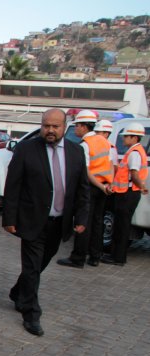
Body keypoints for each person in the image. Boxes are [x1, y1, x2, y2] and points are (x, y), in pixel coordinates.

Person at [3, 109, 90, 336]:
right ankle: (31, 314)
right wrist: (9, 218)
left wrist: (81, 218)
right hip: (32, 221)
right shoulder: (26, 149)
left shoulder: (76, 152)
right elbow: (13, 185)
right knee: (32, 268)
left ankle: (17, 292)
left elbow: (82, 188)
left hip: (59, 222)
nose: (50, 130)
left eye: (55, 126)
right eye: (46, 126)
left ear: (65, 127)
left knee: (40, 264)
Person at [57, 110, 113, 268]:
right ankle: (95, 256)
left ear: (83, 126)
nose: (75, 129)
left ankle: (78, 257)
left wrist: (100, 186)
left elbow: (86, 172)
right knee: (97, 222)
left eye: (77, 125)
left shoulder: (85, 145)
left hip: (91, 187)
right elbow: (109, 165)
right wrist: (107, 185)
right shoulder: (103, 141)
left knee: (84, 222)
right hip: (103, 187)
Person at [102, 122, 148, 266]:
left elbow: (134, 174)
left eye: (126, 136)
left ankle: (118, 258)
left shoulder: (134, 153)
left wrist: (141, 186)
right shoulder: (136, 151)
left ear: (134, 138)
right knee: (122, 226)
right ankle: (116, 256)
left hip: (127, 194)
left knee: (122, 227)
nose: (123, 139)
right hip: (127, 193)